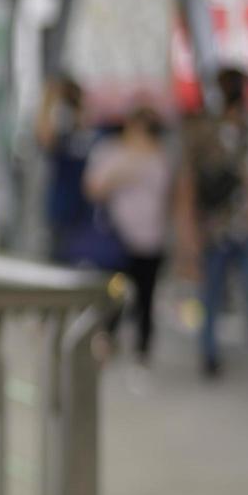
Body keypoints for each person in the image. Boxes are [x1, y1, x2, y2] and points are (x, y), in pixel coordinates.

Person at [175, 67, 248, 388]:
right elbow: (188, 183)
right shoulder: (204, 130)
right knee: (210, 293)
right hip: (216, 227)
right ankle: (208, 352)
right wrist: (188, 232)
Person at [85, 105, 172, 362]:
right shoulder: (112, 152)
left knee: (146, 297)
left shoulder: (161, 156)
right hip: (119, 238)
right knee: (115, 296)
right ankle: (106, 340)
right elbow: (94, 188)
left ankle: (142, 350)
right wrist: (129, 167)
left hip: (152, 238)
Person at [34, 76, 98, 264]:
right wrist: (50, 98)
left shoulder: (88, 130)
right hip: (62, 211)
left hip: (87, 213)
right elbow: (44, 137)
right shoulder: (62, 133)